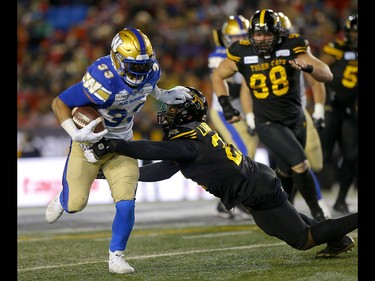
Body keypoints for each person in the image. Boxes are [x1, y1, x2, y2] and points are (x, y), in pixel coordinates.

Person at [86, 86, 357, 258]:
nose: (164, 114)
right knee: (292, 218)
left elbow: (151, 150)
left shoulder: (186, 142)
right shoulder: (191, 135)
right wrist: (116, 175)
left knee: (303, 240)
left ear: (184, 113)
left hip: (254, 189)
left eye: (170, 110)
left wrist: (114, 145)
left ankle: (347, 227)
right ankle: (339, 240)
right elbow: (163, 171)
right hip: (255, 181)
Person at [44, 27, 192, 275]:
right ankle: (63, 199)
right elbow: (59, 102)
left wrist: (164, 95)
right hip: (89, 142)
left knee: (126, 204)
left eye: (143, 66)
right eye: (133, 65)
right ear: (115, 58)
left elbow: (147, 86)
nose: (139, 71)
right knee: (75, 204)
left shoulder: (150, 70)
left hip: (122, 143)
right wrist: (75, 133)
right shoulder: (102, 79)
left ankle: (117, 256)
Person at [211, 9, 333, 222]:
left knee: (286, 169)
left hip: (296, 118)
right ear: (251, 34)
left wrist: (309, 66)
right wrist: (226, 105)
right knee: (300, 163)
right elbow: (218, 76)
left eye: (267, 34)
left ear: (277, 33)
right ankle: (318, 214)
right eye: (258, 34)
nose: (262, 38)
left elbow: (327, 74)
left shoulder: (292, 45)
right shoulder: (241, 51)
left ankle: (282, 209)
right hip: (267, 121)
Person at [276, 12, 330, 217]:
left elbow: (316, 78)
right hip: (271, 116)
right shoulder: (255, 53)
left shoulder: (294, 48)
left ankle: (285, 201)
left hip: (297, 111)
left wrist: (318, 109)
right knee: (296, 160)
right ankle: (313, 204)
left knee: (313, 162)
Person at [208, 15, 257, 220]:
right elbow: (230, 87)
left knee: (249, 154)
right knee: (243, 153)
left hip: (243, 113)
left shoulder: (251, 52)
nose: (240, 40)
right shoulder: (219, 54)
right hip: (224, 111)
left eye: (245, 35)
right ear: (226, 38)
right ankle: (235, 200)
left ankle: (225, 201)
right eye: (236, 37)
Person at [316, 14, 358, 215]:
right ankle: (291, 197)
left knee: (351, 155)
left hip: (350, 110)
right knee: (320, 156)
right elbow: (318, 71)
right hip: (331, 107)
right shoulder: (337, 48)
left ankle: (340, 200)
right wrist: (322, 100)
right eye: (354, 32)